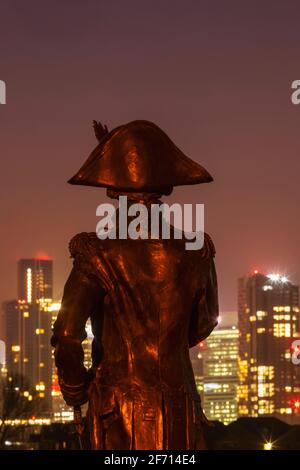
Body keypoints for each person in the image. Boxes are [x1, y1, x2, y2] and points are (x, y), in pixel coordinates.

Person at [51, 120, 219, 450]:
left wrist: (77, 388)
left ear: (112, 189)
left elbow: (68, 335)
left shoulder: (96, 253)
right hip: (177, 407)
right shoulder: (196, 250)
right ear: (166, 187)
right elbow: (204, 322)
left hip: (116, 411)